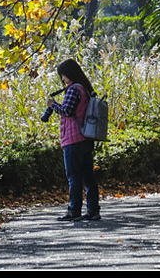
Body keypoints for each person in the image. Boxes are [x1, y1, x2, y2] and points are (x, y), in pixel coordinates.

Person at [47, 57, 101, 221]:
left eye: (62, 75)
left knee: (74, 177)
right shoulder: (84, 88)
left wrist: (52, 105)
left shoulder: (73, 90)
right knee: (88, 177)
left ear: (67, 73)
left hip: (73, 139)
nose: (62, 78)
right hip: (86, 138)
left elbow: (67, 111)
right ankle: (93, 211)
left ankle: (74, 211)